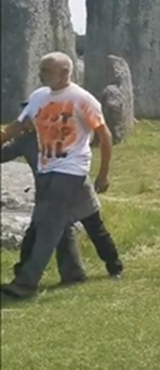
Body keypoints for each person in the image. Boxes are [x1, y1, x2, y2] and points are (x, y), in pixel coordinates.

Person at [0, 52, 115, 299]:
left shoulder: (82, 99)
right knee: (53, 224)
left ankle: (26, 283)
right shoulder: (38, 97)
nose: (41, 75)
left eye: (46, 71)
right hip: (46, 170)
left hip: (71, 170)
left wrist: (103, 174)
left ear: (65, 73)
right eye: (41, 70)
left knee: (49, 226)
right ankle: (72, 273)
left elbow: (104, 136)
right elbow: (15, 128)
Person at [4, 99, 124, 283]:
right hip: (49, 195)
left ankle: (115, 267)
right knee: (34, 233)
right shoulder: (24, 141)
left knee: (95, 229)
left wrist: (102, 175)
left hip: (77, 189)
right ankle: (25, 273)